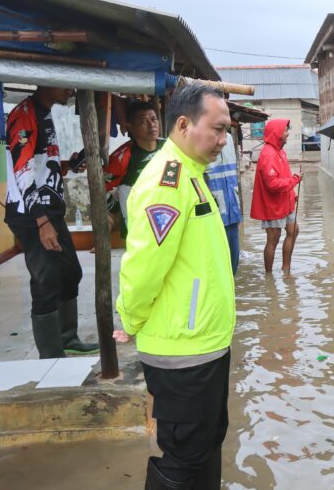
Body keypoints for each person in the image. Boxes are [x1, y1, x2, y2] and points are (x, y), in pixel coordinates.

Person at [113, 83, 236, 489]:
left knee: (207, 443)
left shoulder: (193, 173)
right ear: (183, 125)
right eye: (217, 129)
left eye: (226, 131)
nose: (223, 139)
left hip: (204, 342)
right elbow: (143, 267)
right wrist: (129, 318)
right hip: (182, 350)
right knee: (184, 455)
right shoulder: (166, 183)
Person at [4, 86, 98, 358]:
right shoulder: (24, 114)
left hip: (49, 213)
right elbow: (22, 170)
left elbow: (41, 164)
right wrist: (42, 222)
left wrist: (68, 164)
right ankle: (49, 355)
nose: (69, 87)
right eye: (63, 82)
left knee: (70, 273)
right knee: (46, 280)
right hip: (31, 214)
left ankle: (67, 338)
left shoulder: (43, 114)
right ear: (46, 82)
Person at [104, 100, 165, 237]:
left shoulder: (170, 148)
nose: (151, 125)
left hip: (170, 223)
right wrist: (115, 210)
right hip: (139, 231)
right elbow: (100, 187)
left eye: (154, 119)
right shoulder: (121, 158)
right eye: (143, 121)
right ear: (130, 127)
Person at [249, 119, 301, 274]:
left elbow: (283, 176)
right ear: (278, 134)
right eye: (285, 131)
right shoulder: (269, 154)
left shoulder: (279, 151)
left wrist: (292, 192)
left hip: (286, 201)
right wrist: (295, 180)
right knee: (274, 238)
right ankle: (269, 275)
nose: (288, 134)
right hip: (273, 205)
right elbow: (273, 184)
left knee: (294, 231)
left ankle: (286, 269)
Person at [206, 132, 242, 274]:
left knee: (233, 261)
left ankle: (232, 294)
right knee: (215, 265)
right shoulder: (200, 138)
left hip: (232, 211)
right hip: (212, 214)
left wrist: (238, 211)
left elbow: (233, 176)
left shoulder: (228, 138)